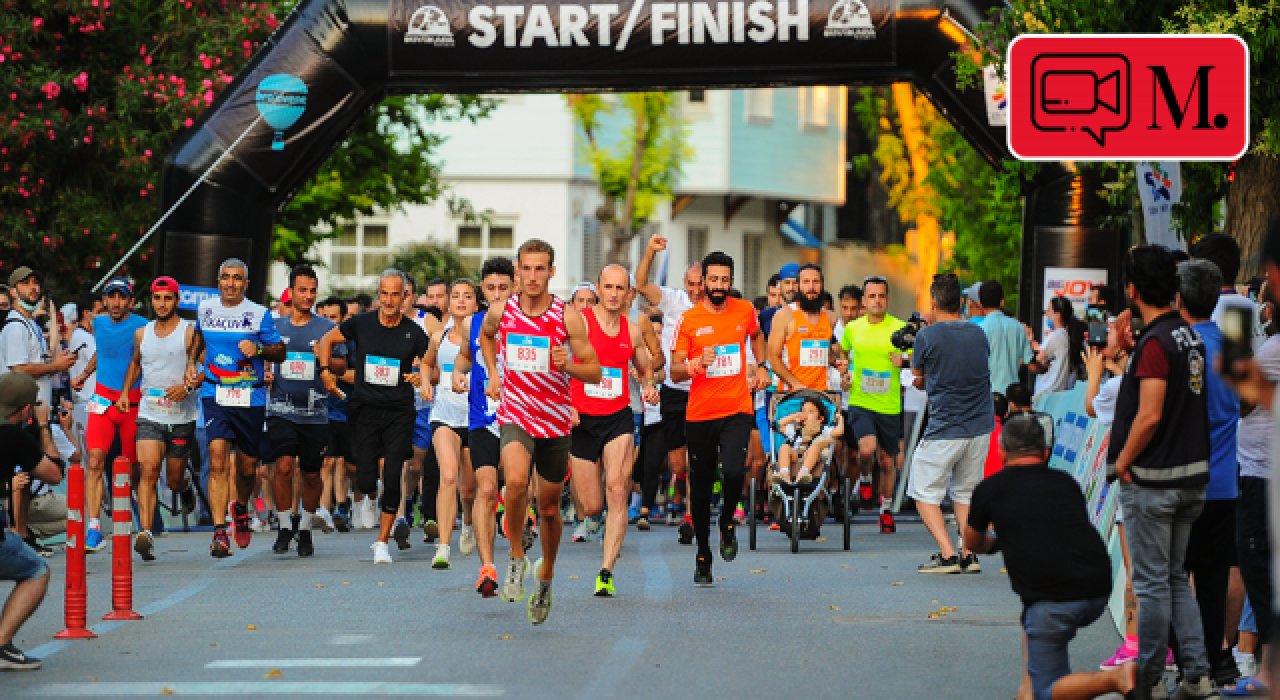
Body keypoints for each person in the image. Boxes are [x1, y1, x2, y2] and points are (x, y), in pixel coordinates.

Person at [1109, 245, 1219, 700]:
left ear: (1132, 290)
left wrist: (1121, 461)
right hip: (1191, 479)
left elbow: (1150, 415)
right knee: (1175, 578)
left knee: (1153, 583)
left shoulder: (1157, 343)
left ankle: (1148, 677)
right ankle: (1196, 674)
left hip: (1154, 482)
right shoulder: (1187, 336)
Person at [963, 412, 1132, 700]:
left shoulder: (989, 489)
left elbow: (972, 542)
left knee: (1048, 689)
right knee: (1031, 618)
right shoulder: (1065, 482)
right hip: (1097, 590)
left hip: (1054, 600)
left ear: (1002, 453)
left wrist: (996, 542)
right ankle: (1025, 691)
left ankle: (1117, 678)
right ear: (1045, 453)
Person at [477, 239, 601, 624]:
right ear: (517, 270)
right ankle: (516, 556)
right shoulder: (502, 310)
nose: (532, 276)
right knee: (514, 483)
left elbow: (594, 371)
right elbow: (486, 336)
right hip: (515, 412)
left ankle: (545, 575)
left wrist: (568, 366)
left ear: (551, 272)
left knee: (548, 508)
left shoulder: (567, 318)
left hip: (554, 419)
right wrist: (495, 374)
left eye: (540, 268)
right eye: (526, 269)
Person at [671, 250, 768, 586]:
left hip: (737, 409)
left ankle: (727, 519)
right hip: (700, 415)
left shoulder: (744, 310)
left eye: (724, 280)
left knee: (733, 471)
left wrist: (762, 365)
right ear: (703, 283)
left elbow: (756, 336)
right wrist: (697, 364)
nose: (718, 286)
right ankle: (703, 553)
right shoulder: (690, 320)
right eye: (713, 280)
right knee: (698, 490)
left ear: (730, 281)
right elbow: (675, 369)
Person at [318, 270, 429, 564]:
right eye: (384, 293)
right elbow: (326, 340)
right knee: (366, 480)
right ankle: (372, 490)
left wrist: (422, 378)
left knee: (392, 473)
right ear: (378, 294)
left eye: (396, 294)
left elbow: (431, 365)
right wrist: (325, 373)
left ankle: (382, 541)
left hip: (399, 412)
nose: (389, 300)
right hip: (365, 409)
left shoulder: (414, 332)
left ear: (405, 296)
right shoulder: (361, 324)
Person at [568, 264, 659, 597]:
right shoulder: (578, 323)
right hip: (582, 420)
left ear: (628, 293)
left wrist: (648, 385)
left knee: (618, 488)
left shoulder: (632, 331)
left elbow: (645, 368)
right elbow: (559, 362)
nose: (613, 294)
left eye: (620, 288)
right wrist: (568, 404)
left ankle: (606, 570)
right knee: (592, 506)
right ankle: (598, 520)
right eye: (608, 287)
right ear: (598, 287)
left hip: (618, 416)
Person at [1176, 259, 1241, 687]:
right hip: (1223, 482)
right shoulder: (1234, 346)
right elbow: (1249, 402)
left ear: (1177, 298)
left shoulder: (1175, 344)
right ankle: (1218, 659)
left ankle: (1187, 664)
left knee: (1175, 575)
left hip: (1180, 480)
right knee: (1215, 577)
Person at [193, 258, 286, 558]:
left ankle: (241, 508)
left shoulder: (258, 314)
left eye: (236, 278)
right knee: (218, 461)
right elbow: (197, 340)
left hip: (250, 397)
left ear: (245, 284)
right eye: (225, 277)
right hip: (215, 393)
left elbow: (280, 351)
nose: (230, 283)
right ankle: (220, 533)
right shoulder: (205, 310)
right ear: (218, 281)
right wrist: (191, 364)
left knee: (247, 468)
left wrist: (258, 348)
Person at [908, 273, 994, 574]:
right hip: (981, 425)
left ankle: (947, 555)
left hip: (946, 427)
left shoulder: (927, 336)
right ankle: (968, 553)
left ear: (933, 301)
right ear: (960, 301)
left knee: (922, 489)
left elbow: (918, 378)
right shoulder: (978, 333)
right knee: (966, 492)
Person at [116, 278, 200, 561]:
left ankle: (186, 488)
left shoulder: (189, 332)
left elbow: (204, 366)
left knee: (173, 480)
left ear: (176, 300)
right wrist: (126, 391)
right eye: (156, 298)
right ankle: (146, 533)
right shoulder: (142, 333)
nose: (161, 304)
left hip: (181, 416)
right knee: (148, 469)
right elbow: (137, 363)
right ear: (150, 300)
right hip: (149, 413)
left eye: (167, 298)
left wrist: (187, 387)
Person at [259, 266, 339, 558]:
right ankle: (283, 526)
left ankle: (304, 528)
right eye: (302, 290)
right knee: (282, 465)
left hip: (315, 413)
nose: (307, 296)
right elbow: (262, 361)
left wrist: (324, 359)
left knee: (312, 474)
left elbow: (341, 368)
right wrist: (265, 373)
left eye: (312, 291)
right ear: (291, 292)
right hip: (281, 409)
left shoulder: (327, 329)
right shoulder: (275, 328)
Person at [451, 257, 515, 597]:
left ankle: (517, 522)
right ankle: (487, 566)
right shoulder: (472, 323)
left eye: (503, 288)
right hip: (482, 418)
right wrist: (458, 372)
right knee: (484, 488)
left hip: (519, 417)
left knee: (516, 486)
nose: (497, 294)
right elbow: (465, 355)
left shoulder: (526, 324)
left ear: (514, 288)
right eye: (490, 288)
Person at [635, 233, 705, 528]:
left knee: (699, 457)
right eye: (691, 283)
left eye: (701, 283)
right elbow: (640, 285)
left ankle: (691, 514)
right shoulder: (674, 300)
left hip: (705, 390)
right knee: (679, 464)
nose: (696, 289)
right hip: (675, 390)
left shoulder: (717, 306)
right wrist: (651, 251)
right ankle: (682, 492)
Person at [78, 278, 149, 552]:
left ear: (131, 301)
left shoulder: (142, 325)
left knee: (133, 468)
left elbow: (143, 361)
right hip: (102, 403)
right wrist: (85, 374)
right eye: (111, 297)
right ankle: (94, 529)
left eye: (122, 297)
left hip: (131, 405)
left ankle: (139, 519)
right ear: (105, 301)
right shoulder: (98, 323)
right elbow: (102, 352)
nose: (116, 302)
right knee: (95, 461)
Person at [0, 373, 64, 670]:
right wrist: (43, 425)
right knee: (36, 570)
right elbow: (54, 474)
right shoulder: (13, 436)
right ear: (25, 409)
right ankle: (1, 645)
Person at [840, 275, 907, 533]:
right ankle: (866, 477)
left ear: (887, 299)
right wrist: (845, 373)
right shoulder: (853, 328)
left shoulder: (900, 328)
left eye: (881, 296)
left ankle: (886, 509)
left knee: (888, 462)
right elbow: (843, 354)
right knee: (866, 451)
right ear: (864, 301)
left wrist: (904, 363)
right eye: (872, 296)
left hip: (889, 404)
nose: (877, 301)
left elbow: (916, 362)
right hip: (861, 400)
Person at [421, 279, 480, 569]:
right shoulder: (439, 336)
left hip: (476, 415)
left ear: (476, 304)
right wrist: (424, 384)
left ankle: (468, 522)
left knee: (468, 490)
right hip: (444, 414)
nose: (460, 301)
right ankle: (443, 546)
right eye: (455, 296)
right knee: (447, 476)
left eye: (467, 296)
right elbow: (425, 363)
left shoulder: (484, 337)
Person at [1, 267, 74, 417]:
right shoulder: (16, 326)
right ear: (13, 292)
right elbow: (19, 370)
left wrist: (57, 366)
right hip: (21, 415)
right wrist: (55, 366)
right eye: (26, 283)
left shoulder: (31, 323)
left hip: (37, 413)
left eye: (35, 283)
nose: (33, 287)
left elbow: (37, 367)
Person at [768, 264, 844, 394]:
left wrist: (838, 363)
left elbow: (826, 356)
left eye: (816, 282)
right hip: (792, 395)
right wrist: (797, 386)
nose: (811, 287)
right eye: (806, 282)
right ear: (798, 286)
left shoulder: (831, 318)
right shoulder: (784, 316)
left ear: (823, 286)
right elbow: (773, 359)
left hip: (823, 394)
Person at [979, 281, 1032, 403]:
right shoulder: (1018, 327)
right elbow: (1029, 360)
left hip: (990, 396)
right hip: (1014, 397)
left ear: (980, 304)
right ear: (1002, 302)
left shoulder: (980, 329)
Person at [774, 398, 844, 485]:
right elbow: (777, 426)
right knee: (784, 447)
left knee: (814, 448)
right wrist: (793, 417)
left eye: (811, 411)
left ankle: (803, 473)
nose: (806, 414)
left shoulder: (823, 428)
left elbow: (839, 431)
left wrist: (840, 420)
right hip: (796, 456)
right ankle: (784, 473)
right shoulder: (795, 429)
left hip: (813, 457)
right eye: (803, 411)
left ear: (820, 419)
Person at [1031, 296, 1085, 400]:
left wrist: (1029, 344)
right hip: (1055, 394)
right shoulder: (1063, 335)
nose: (1046, 315)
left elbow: (1038, 359)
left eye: (1049, 311)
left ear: (1058, 315)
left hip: (1046, 394)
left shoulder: (1055, 336)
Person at [67, 292, 99, 434]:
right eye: (100, 311)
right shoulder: (83, 336)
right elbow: (102, 358)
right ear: (87, 313)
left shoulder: (84, 335)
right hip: (88, 404)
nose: (105, 315)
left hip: (88, 403)